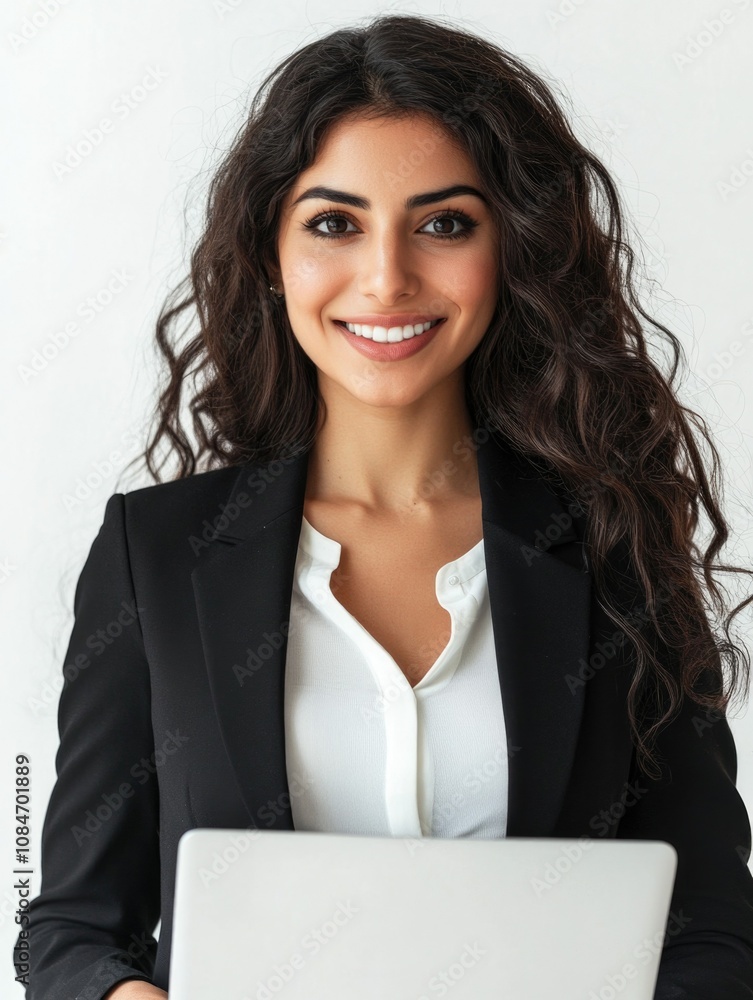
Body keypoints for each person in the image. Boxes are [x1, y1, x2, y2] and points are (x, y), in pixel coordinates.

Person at [14, 12, 753, 1000]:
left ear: (514, 251)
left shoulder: (618, 540)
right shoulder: (156, 557)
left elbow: (710, 925)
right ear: (272, 254)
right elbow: (70, 929)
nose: (387, 277)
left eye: (445, 223)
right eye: (334, 223)